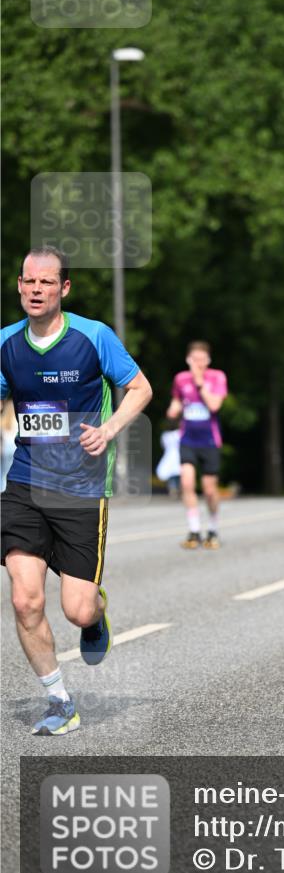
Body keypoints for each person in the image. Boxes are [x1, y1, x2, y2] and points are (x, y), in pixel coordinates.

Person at [1, 247, 152, 736]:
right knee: (26, 599)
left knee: (76, 607)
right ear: (19, 286)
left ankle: (95, 616)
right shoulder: (5, 343)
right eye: (29, 282)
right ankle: (59, 701)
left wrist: (108, 430)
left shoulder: (93, 336)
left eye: (46, 282)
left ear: (64, 288)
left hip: (82, 489)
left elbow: (141, 389)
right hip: (25, 481)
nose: (36, 289)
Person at [167, 341, 228, 549]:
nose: (198, 363)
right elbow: (176, 401)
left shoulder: (217, 377)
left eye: (202, 360)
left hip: (210, 441)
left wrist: (200, 382)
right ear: (188, 360)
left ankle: (213, 528)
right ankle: (194, 530)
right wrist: (173, 410)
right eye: (195, 360)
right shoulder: (181, 379)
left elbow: (214, 405)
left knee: (210, 490)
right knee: (186, 484)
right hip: (188, 440)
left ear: (208, 360)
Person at [156, 419, 182, 499]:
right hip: (178, 455)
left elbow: (163, 446)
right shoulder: (179, 434)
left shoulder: (165, 435)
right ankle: (178, 489)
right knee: (178, 474)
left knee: (171, 474)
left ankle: (173, 489)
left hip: (169, 455)